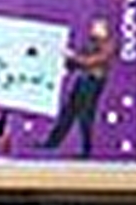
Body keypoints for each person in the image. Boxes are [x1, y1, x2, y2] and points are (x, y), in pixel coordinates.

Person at [42, 17, 115, 158]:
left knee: (86, 116)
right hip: (82, 80)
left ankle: (86, 150)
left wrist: (73, 56)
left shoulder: (108, 45)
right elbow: (79, 61)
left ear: (104, 30)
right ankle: (52, 142)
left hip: (93, 82)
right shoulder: (90, 43)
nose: (93, 30)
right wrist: (68, 63)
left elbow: (91, 61)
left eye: (97, 27)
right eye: (93, 27)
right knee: (68, 112)